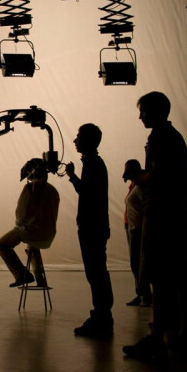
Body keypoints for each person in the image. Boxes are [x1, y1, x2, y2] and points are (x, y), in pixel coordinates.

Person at [123, 91, 187, 361]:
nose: (140, 116)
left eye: (143, 111)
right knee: (179, 277)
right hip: (174, 216)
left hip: (161, 218)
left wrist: (137, 176)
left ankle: (157, 339)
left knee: (160, 278)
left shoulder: (160, 138)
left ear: (155, 111)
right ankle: (181, 335)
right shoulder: (173, 137)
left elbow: (157, 176)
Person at [65, 124, 113, 339]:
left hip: (92, 227)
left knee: (96, 273)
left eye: (79, 137)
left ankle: (102, 317)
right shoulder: (93, 163)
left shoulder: (94, 164)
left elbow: (87, 192)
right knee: (96, 272)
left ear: (89, 140)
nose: (75, 141)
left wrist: (72, 176)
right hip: (94, 226)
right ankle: (102, 316)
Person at [0, 158, 60, 288]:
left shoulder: (30, 188)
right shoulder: (53, 190)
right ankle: (40, 279)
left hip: (30, 230)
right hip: (48, 233)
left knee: (1, 245)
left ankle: (22, 275)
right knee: (32, 247)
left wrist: (19, 227)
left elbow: (21, 212)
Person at [122, 159, 152, 307]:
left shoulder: (140, 186)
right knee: (135, 263)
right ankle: (140, 293)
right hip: (131, 226)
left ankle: (145, 295)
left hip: (138, 228)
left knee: (139, 263)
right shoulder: (133, 186)